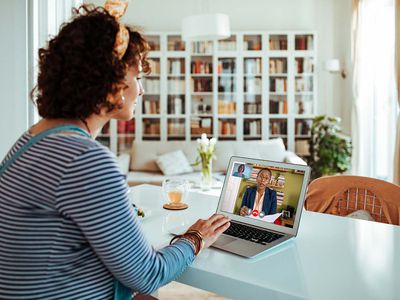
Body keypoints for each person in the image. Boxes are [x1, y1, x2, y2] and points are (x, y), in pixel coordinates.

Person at [0, 2, 230, 299]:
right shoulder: (85, 159)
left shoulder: (30, 140)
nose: (141, 90)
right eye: (137, 77)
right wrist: (196, 238)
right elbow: (148, 275)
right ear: (112, 81)